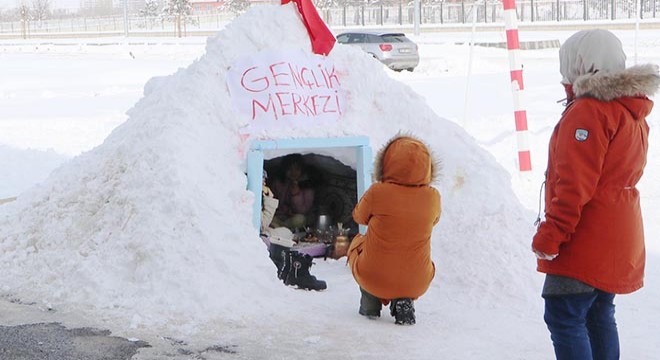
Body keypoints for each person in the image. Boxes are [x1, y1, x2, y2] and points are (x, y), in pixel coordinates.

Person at [531, 29, 660, 359]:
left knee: (564, 314)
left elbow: (575, 183)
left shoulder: (590, 110)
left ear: (580, 64)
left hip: (587, 235)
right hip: (618, 232)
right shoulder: (631, 111)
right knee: (598, 313)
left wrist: (553, 232)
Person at [347, 134, 440, 325]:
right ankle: (402, 300)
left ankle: (370, 302)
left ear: (386, 163)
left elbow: (358, 217)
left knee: (357, 243)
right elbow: (434, 220)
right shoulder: (433, 197)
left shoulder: (378, 191)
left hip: (374, 276)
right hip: (417, 281)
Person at [261, 170, 326, 291]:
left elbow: (302, 209)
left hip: (288, 219)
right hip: (272, 223)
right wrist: (270, 198)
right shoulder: (275, 185)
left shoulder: (307, 188)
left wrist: (295, 194)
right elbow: (263, 223)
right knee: (283, 232)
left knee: (298, 220)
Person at [270, 154, 316, 232]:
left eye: (297, 169)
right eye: (290, 169)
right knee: (269, 218)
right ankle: (282, 229)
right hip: (281, 217)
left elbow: (303, 211)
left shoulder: (308, 186)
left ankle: (281, 229)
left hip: (296, 218)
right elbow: (272, 202)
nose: (293, 172)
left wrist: (296, 194)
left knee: (300, 219)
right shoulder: (279, 183)